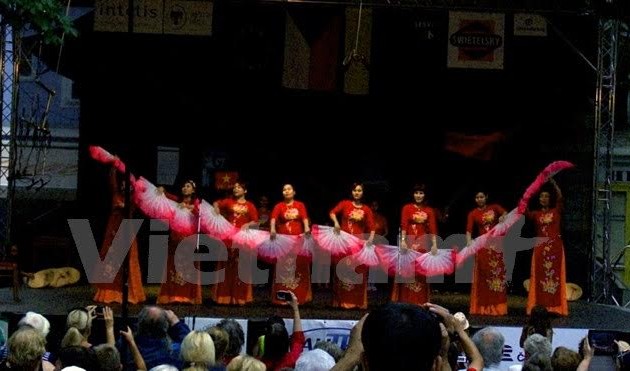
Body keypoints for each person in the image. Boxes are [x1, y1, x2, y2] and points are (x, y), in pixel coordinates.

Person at [94, 163, 146, 304]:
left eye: (127, 185)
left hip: (126, 231)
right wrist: (114, 166)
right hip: (113, 231)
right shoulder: (117, 194)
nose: (124, 186)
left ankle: (129, 293)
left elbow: (131, 206)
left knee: (128, 262)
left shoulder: (134, 199)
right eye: (123, 184)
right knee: (110, 261)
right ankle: (110, 292)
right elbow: (113, 182)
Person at [329, 182, 375, 309]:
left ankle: (357, 302)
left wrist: (370, 240)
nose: (357, 193)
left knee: (357, 271)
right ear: (351, 192)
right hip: (344, 243)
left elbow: (372, 228)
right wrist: (336, 223)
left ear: (363, 193)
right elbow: (332, 212)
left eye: (359, 190)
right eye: (355, 190)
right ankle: (340, 301)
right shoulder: (345, 204)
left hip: (358, 244)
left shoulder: (366, 209)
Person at [525, 179, 568, 316]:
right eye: (541, 196)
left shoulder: (557, 211)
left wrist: (554, 184)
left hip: (555, 248)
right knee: (539, 278)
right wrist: (529, 191)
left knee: (554, 278)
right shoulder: (535, 214)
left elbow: (560, 197)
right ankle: (538, 306)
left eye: (546, 196)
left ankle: (555, 307)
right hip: (540, 249)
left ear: (550, 199)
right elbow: (524, 209)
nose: (543, 199)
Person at [212, 181, 259, 305]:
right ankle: (224, 297)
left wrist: (248, 224)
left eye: (239, 187)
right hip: (228, 237)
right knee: (226, 267)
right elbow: (216, 203)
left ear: (245, 191)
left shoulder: (250, 205)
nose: (236, 189)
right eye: (235, 187)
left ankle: (240, 297)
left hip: (242, 240)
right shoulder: (228, 202)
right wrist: (216, 208)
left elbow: (256, 221)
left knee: (241, 267)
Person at [157, 180, 202, 304]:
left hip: (189, 240)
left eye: (188, 186)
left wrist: (188, 207)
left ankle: (187, 296)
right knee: (173, 266)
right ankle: (172, 295)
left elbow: (199, 213)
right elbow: (165, 195)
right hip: (175, 239)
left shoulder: (196, 203)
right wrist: (162, 190)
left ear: (193, 190)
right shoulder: (176, 201)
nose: (184, 188)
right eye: (183, 186)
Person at [392, 184, 438, 305]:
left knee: (421, 272)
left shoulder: (429, 210)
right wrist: (402, 240)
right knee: (407, 271)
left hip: (423, 243)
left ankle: (421, 301)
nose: (418, 195)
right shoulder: (407, 208)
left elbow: (433, 229)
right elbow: (404, 225)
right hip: (409, 242)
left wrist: (434, 245)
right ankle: (406, 300)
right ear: (413, 194)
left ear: (425, 195)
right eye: (416, 193)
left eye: (421, 193)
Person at [466, 190, 508, 316]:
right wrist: (469, 243)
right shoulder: (473, 213)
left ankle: (497, 307)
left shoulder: (494, 207)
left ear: (486, 197)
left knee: (497, 276)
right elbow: (468, 231)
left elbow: (506, 213)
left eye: (482, 197)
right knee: (483, 278)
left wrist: (502, 217)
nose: (479, 199)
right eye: (477, 197)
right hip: (482, 248)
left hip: (496, 246)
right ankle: (483, 308)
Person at [270, 184, 312, 305]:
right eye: (284, 189)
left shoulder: (300, 205)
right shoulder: (279, 206)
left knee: (298, 266)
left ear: (294, 192)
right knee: (282, 267)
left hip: (297, 240)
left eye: (289, 189)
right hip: (283, 241)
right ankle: (282, 296)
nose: (286, 191)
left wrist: (307, 228)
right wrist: (272, 229)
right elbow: (273, 218)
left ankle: (300, 295)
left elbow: (304, 218)